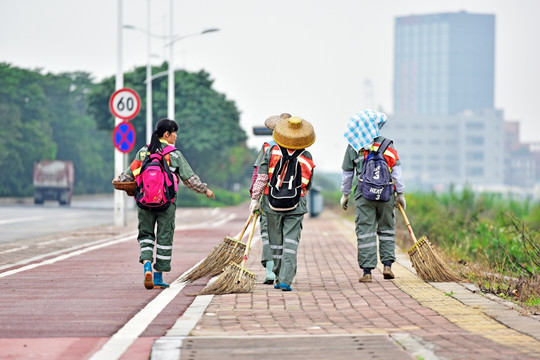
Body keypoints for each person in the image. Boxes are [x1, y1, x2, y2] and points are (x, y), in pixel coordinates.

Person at [115, 118, 215, 289]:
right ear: (167, 134)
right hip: (166, 204)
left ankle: (147, 264)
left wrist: (117, 180)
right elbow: (189, 179)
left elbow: (127, 176)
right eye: (175, 132)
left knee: (146, 234)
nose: (176, 136)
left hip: (144, 202)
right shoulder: (174, 154)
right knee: (164, 237)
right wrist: (204, 190)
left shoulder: (143, 152)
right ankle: (158, 277)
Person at [249, 116, 316, 292]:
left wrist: (255, 199)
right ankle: (286, 279)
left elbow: (262, 177)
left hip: (272, 203)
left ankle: (278, 276)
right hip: (296, 204)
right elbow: (308, 183)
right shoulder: (306, 155)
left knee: (275, 242)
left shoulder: (271, 151)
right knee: (291, 242)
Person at [340, 109, 406, 283]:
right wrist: (400, 194)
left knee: (365, 232)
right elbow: (397, 172)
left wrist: (345, 195)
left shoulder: (354, 146)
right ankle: (387, 266)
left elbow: (347, 173)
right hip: (386, 194)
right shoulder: (387, 144)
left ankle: (367, 272)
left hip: (364, 195)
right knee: (386, 229)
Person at [250, 113, 291, 285]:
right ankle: (283, 272)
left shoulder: (267, 147)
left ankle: (270, 272)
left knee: (268, 233)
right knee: (286, 234)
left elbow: (258, 173)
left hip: (269, 198)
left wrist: (254, 197)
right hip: (291, 199)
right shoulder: (298, 148)